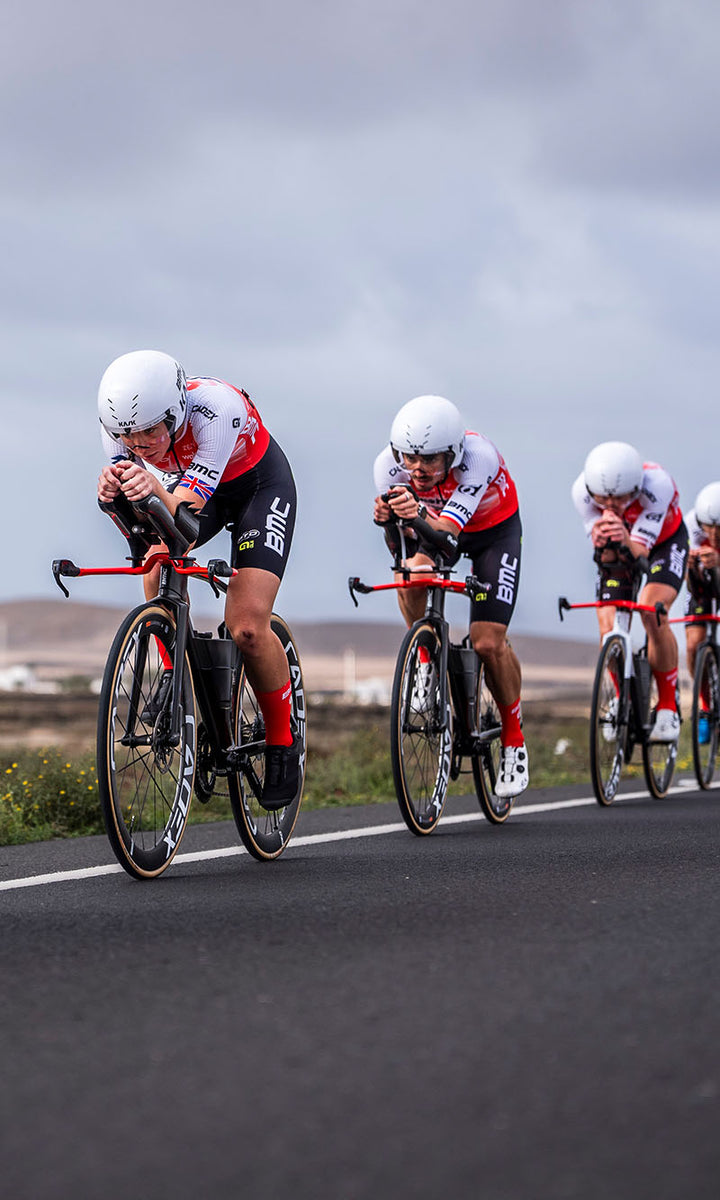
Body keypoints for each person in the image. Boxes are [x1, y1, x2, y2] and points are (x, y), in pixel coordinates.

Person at [96, 349, 299, 810]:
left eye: (151, 430)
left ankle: (283, 743)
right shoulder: (116, 427)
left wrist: (152, 490)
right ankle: (176, 673)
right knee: (155, 563)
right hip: (191, 489)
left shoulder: (216, 410)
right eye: (128, 435)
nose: (139, 444)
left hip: (257, 490)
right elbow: (143, 530)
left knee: (247, 626)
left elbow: (186, 515)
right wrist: (113, 502)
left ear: (175, 413)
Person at [373, 394, 528, 799]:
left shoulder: (479, 458)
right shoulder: (387, 468)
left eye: (430, 459)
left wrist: (415, 514)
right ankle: (426, 657)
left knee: (487, 642)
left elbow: (447, 536)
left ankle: (514, 740)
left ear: (453, 454)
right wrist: (390, 524)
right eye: (409, 457)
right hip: (436, 528)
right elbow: (404, 548)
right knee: (411, 574)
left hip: (492, 534)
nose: (417, 469)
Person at [571, 441, 689, 743]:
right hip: (622, 542)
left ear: (636, 489)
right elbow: (606, 553)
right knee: (607, 625)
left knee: (652, 610)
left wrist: (624, 536)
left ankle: (667, 706)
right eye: (603, 498)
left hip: (664, 544)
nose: (610, 505)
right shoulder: (581, 492)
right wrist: (602, 539)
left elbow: (640, 553)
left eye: (621, 498)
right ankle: (621, 695)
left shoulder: (658, 485)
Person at [683, 481, 720, 743]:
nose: (714, 535)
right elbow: (688, 583)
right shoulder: (690, 524)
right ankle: (704, 705)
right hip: (703, 589)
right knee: (693, 644)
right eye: (709, 528)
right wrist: (690, 566)